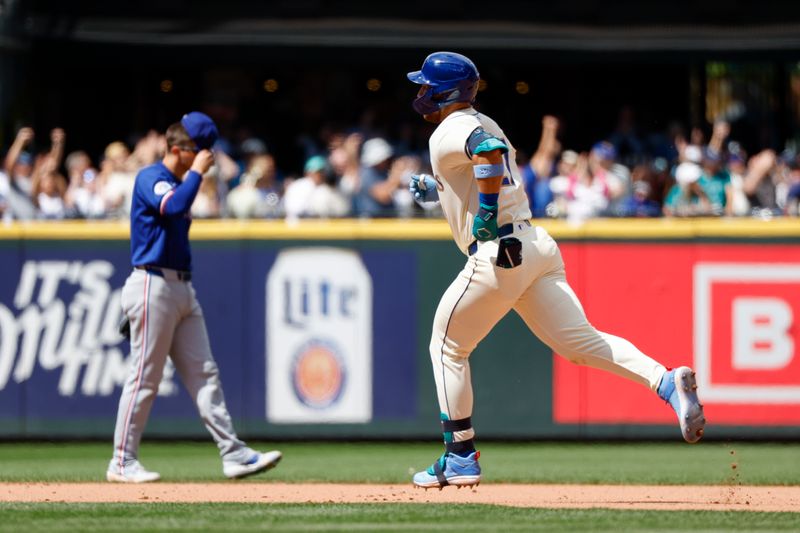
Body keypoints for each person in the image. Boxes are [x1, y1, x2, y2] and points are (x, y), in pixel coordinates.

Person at [406, 52, 705, 490]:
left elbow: (486, 157)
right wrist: (442, 189)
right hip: (535, 247)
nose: (421, 92)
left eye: (426, 84)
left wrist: (485, 211)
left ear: (444, 91)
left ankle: (460, 456)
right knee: (582, 343)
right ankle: (665, 383)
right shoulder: (483, 121)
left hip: (498, 251)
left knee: (447, 345)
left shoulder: (452, 128)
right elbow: (490, 165)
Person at [107, 112, 282, 483]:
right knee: (144, 378)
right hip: (152, 283)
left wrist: (194, 176)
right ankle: (122, 461)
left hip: (181, 287)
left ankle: (233, 453)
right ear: (177, 149)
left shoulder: (179, 179)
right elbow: (170, 206)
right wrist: (197, 174)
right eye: (199, 150)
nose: (206, 155)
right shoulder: (151, 177)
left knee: (205, 374)